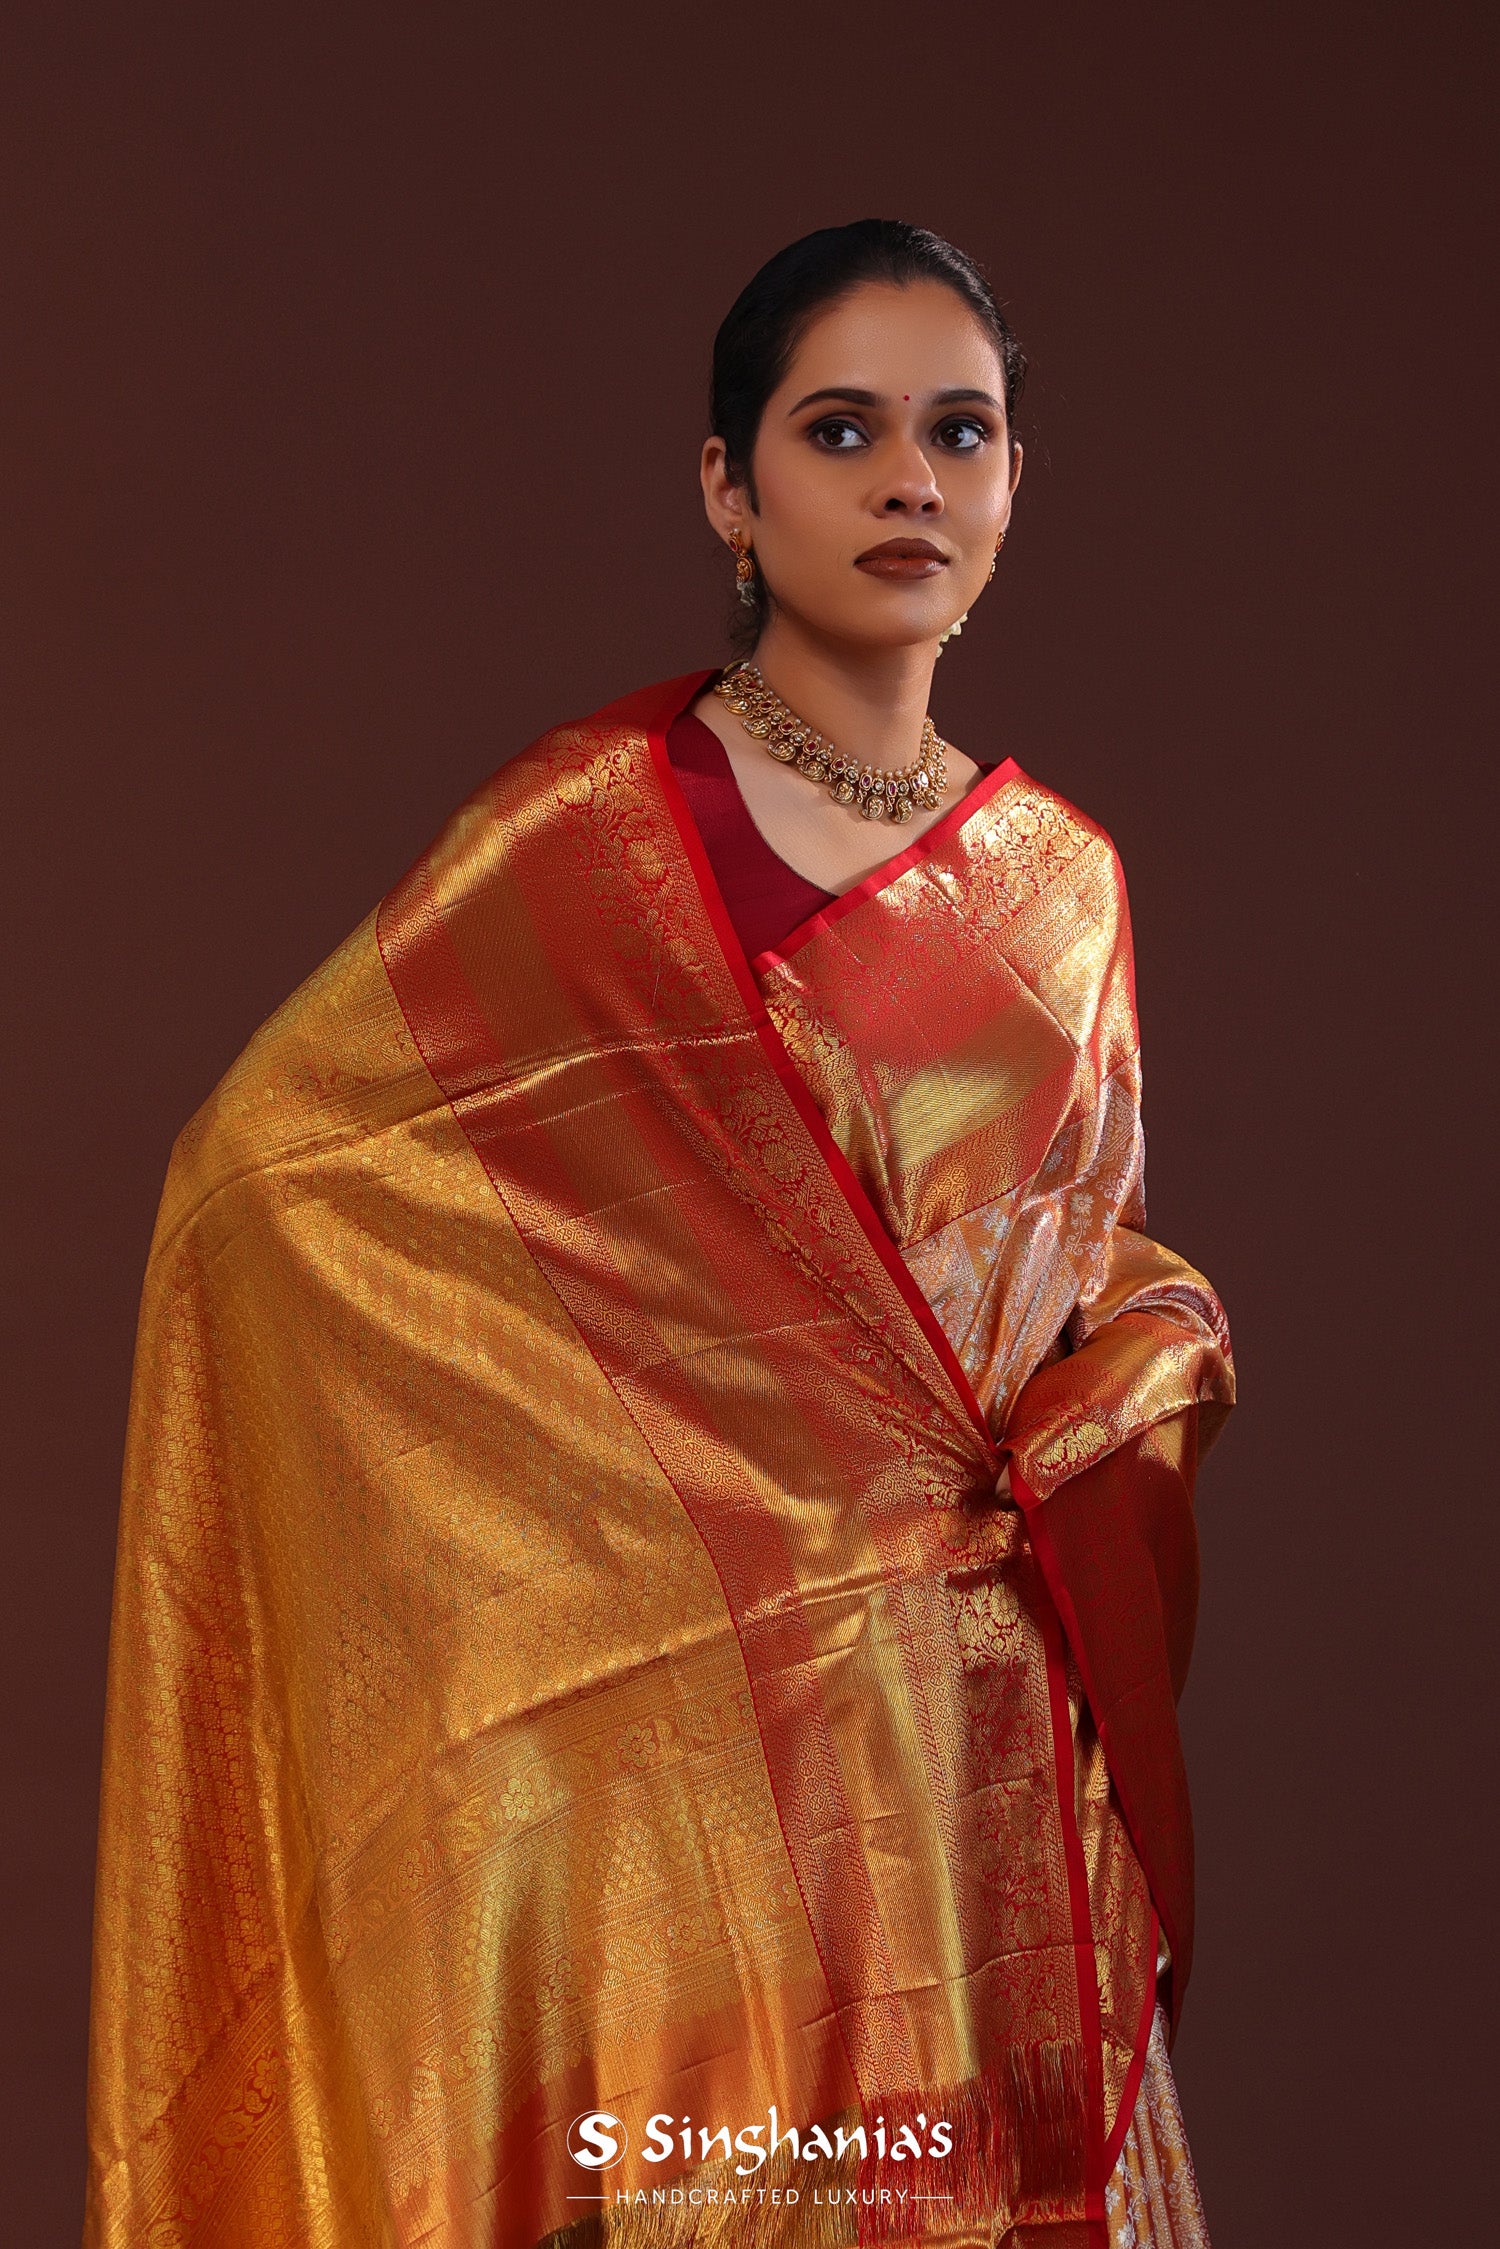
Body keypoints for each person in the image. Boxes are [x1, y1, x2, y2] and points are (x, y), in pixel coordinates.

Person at [83, 221, 1235, 2249]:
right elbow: (271, 1178)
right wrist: (676, 1508)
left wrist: (1137, 1352)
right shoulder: (594, 839)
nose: (909, 480)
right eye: (841, 430)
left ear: (1012, 486)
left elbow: (1082, 1245)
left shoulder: (1066, 882)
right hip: (714, 1744)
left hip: (982, 1727)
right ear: (729, 485)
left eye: (960, 433)